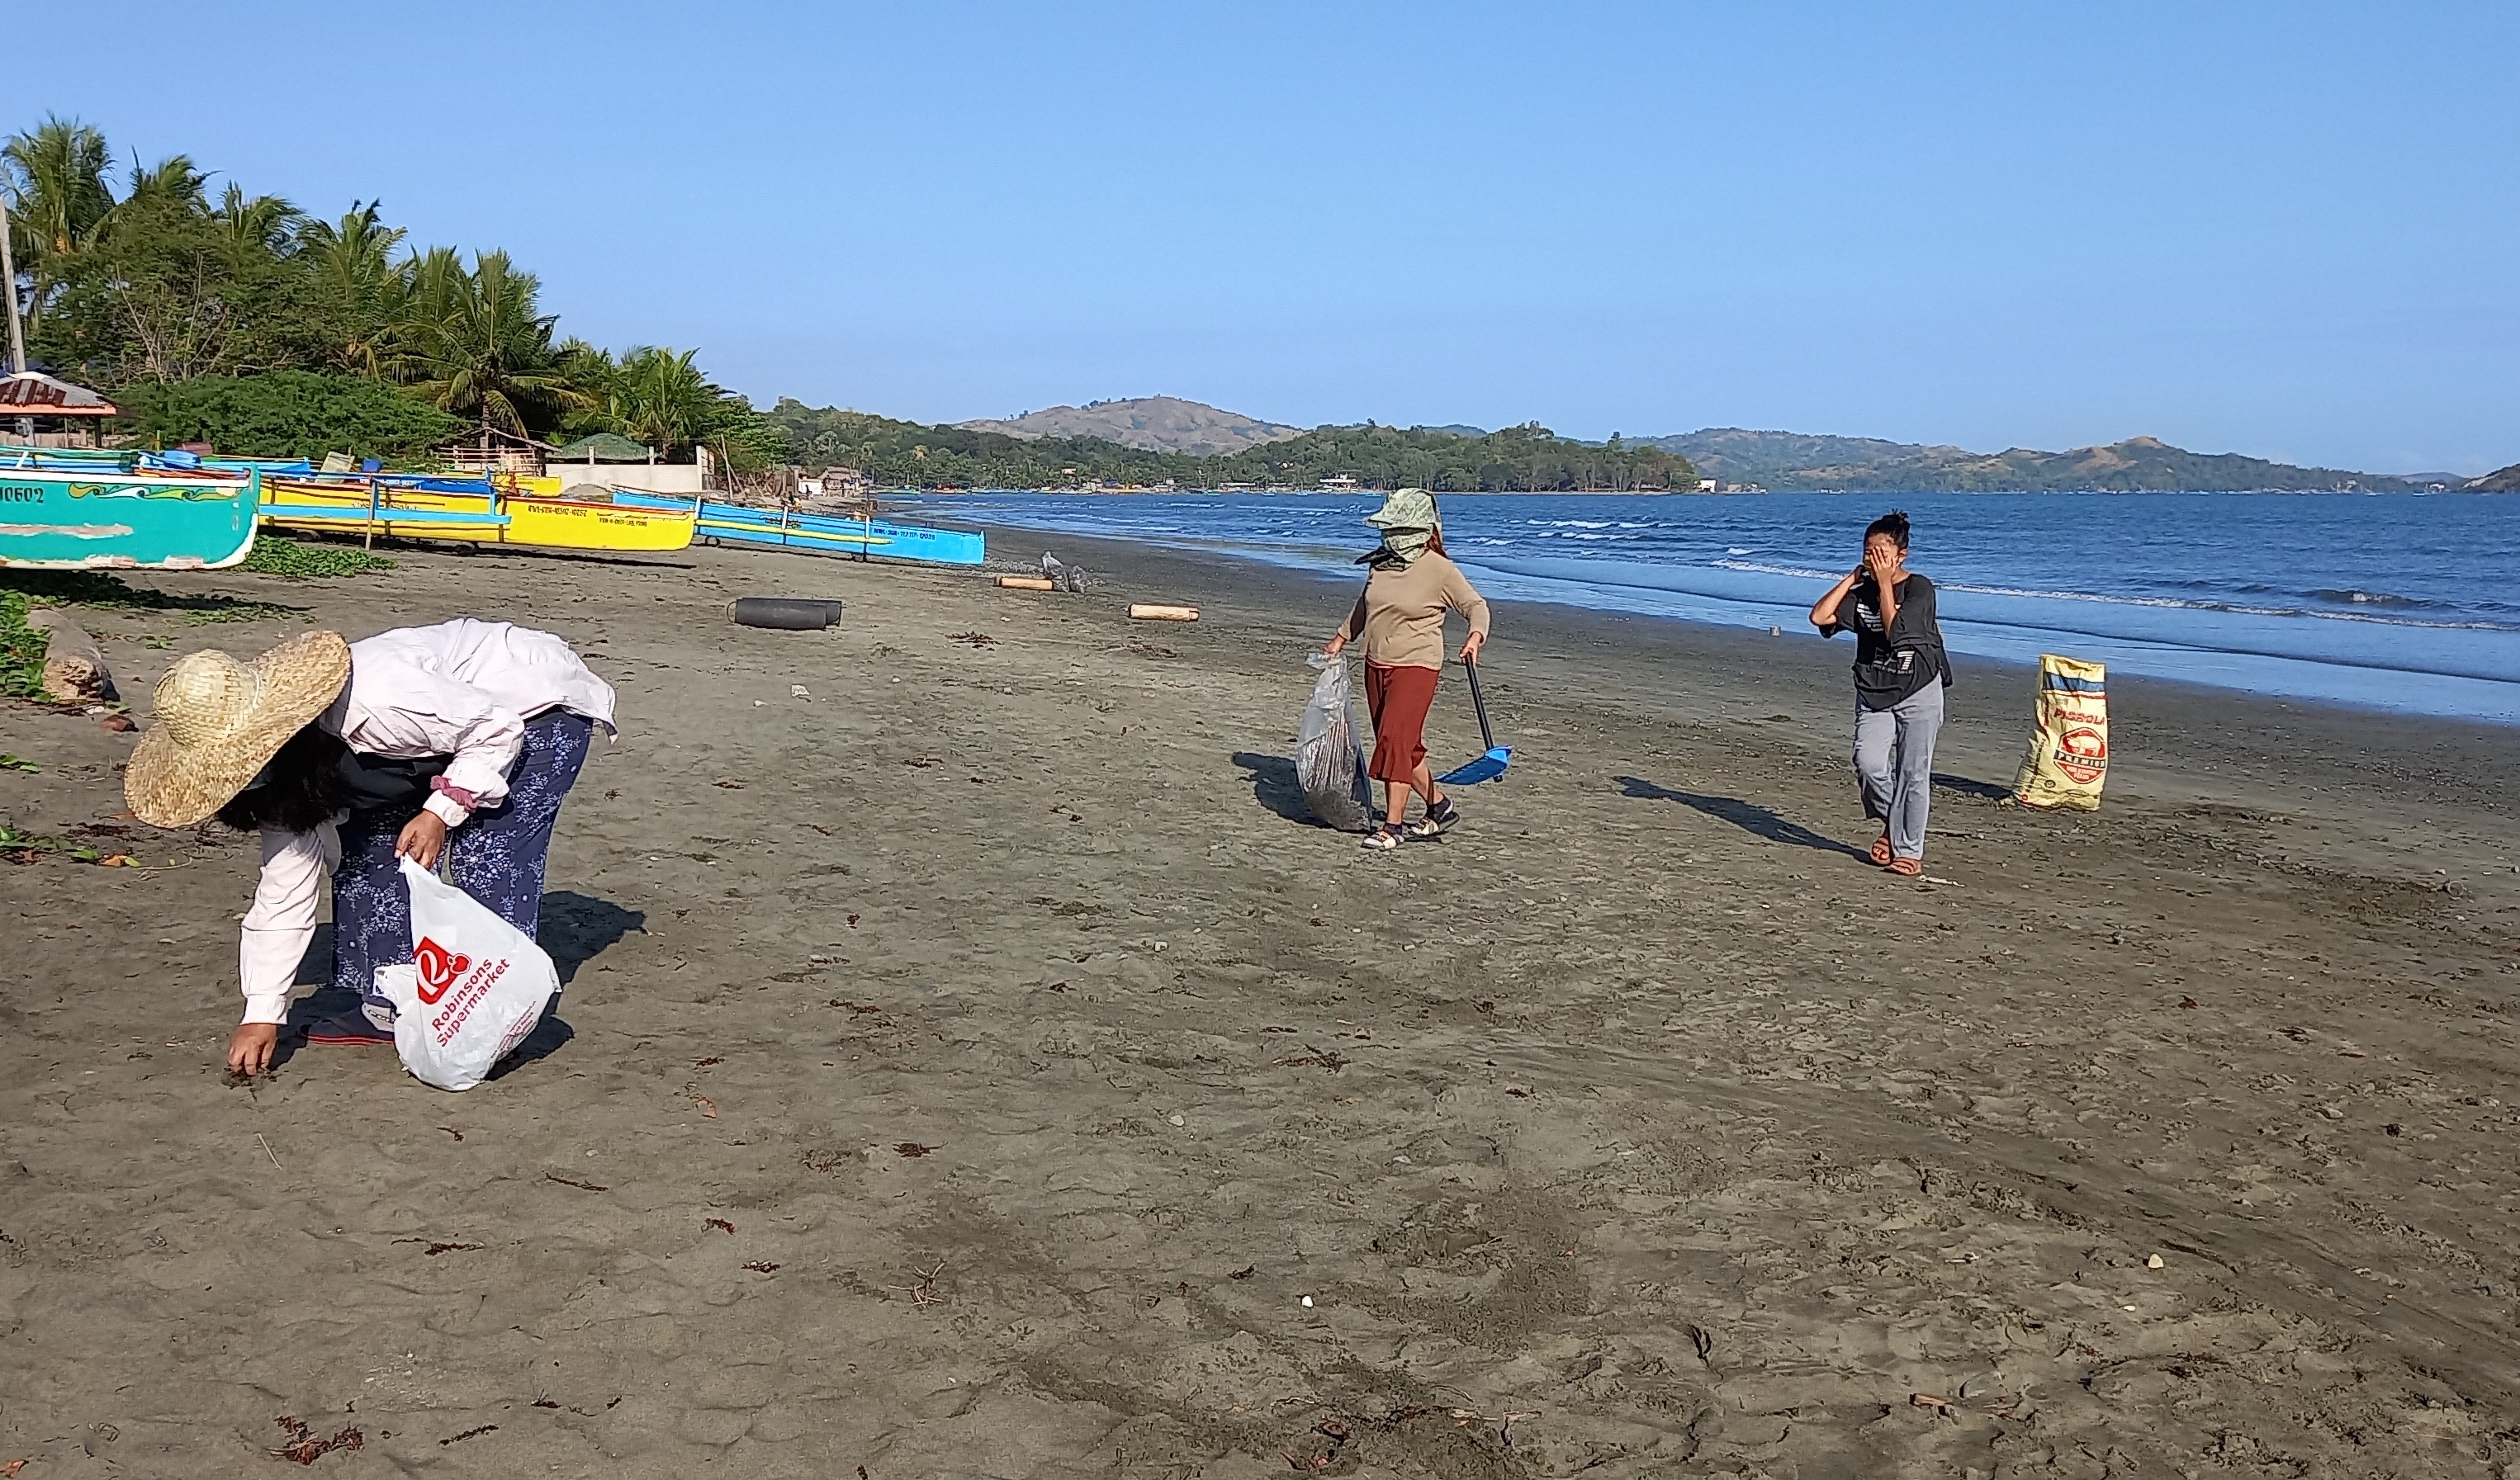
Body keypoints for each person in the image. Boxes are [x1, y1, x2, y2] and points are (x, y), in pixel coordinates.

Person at [123, 620, 616, 1075]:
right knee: (365, 854)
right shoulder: (279, 784)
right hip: (433, 740)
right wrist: (262, 1014)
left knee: (486, 857)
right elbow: (283, 895)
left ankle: (498, 1015)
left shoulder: (379, 699)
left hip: (533, 710)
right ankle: (386, 1006)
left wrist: (439, 812)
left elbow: (494, 729)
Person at [1321, 489, 1491, 850]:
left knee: (1394, 744)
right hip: (1376, 663)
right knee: (1402, 748)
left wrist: (1475, 637)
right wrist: (1340, 638)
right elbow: (1364, 607)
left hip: (1417, 666)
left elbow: (1476, 605)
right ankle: (1439, 806)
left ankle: (1392, 827)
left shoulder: (1439, 569)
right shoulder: (1380, 564)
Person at [1809, 510, 1951, 877]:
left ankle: (1908, 849)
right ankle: (1892, 822)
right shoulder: (1860, 592)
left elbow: (1895, 633)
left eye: (1881, 551)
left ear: (1900, 554)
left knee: (1913, 773)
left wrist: (1887, 584)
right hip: (1874, 689)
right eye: (1867, 550)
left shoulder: (1920, 589)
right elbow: (1820, 618)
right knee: (1869, 763)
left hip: (1919, 687)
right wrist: (1853, 579)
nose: (1873, 557)